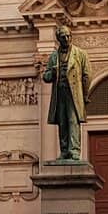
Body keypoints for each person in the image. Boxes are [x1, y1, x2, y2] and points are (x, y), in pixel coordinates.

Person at [42, 25, 92, 161]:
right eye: (63, 36)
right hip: (60, 92)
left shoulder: (80, 54)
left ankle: (74, 150)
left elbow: (87, 76)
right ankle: (64, 150)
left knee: (72, 120)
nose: (66, 38)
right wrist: (52, 72)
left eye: (68, 36)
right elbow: (45, 77)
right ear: (58, 38)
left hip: (74, 93)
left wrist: (84, 95)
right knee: (62, 122)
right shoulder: (53, 56)